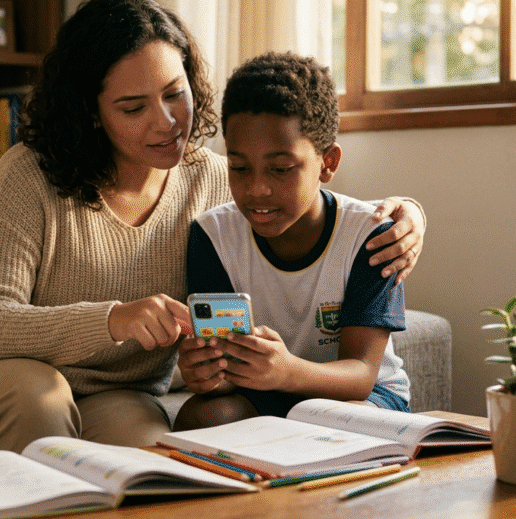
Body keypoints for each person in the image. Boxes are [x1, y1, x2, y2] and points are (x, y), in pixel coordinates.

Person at [0, 0, 425, 456]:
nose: (167, 123)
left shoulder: (219, 180)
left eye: (174, 93)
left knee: (161, 464)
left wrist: (408, 213)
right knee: (39, 397)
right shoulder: (29, 174)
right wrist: (112, 320)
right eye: (133, 107)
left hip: (116, 395)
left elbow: (301, 194)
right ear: (90, 110)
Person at [174, 52, 412, 432]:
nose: (256, 189)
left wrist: (286, 372)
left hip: (361, 399)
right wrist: (209, 372)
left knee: (337, 424)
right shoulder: (212, 237)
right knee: (201, 417)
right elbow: (223, 366)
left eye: (281, 169)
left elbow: (362, 373)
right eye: (238, 167)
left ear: (327, 162)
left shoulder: (370, 237)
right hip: (266, 392)